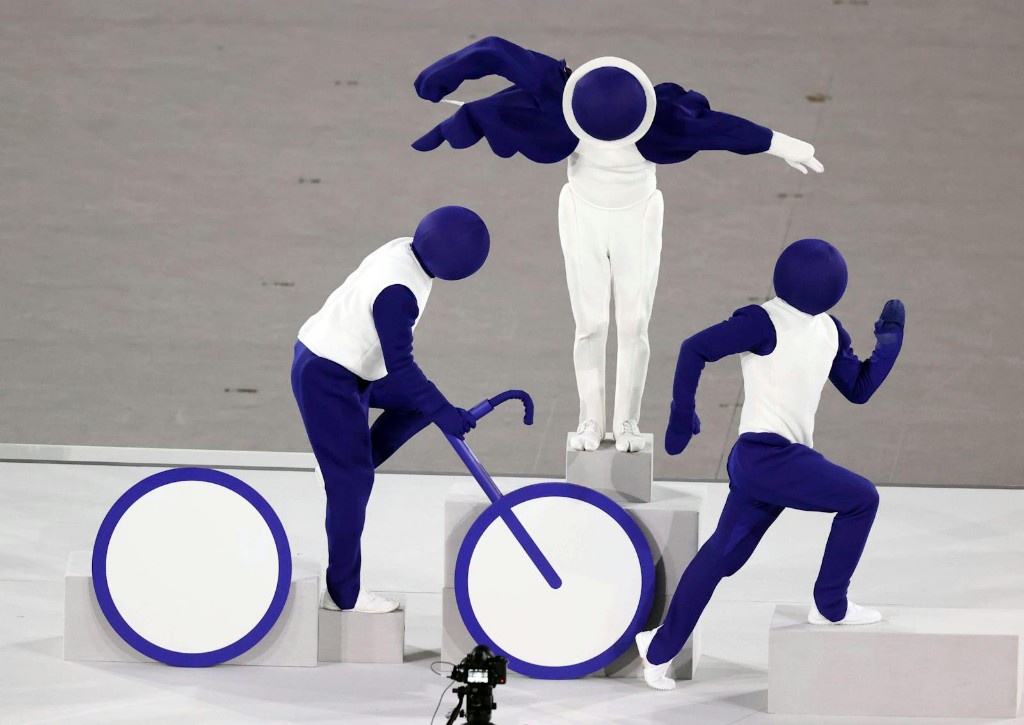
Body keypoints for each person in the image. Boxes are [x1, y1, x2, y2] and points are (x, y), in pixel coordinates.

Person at [413, 36, 823, 453]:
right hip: (582, 214)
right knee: (589, 324)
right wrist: (441, 77)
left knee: (633, 324)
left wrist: (781, 144)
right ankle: (589, 417)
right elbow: (496, 52)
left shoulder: (664, 120)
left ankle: (627, 421)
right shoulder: (558, 95)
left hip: (638, 217)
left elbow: (722, 130)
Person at [634, 238, 905, 689]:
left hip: (774, 463)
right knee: (862, 499)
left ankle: (659, 648)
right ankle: (830, 604)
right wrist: (682, 414)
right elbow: (694, 348)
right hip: (766, 456)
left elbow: (858, 388)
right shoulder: (762, 321)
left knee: (724, 556)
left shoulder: (830, 330)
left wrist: (888, 346)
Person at [291, 206, 490, 613]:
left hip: (347, 363)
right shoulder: (399, 293)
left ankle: (340, 465)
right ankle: (343, 595)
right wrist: (445, 412)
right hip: (327, 375)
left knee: (418, 405)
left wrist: (437, 408)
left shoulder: (405, 249)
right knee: (352, 485)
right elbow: (402, 365)